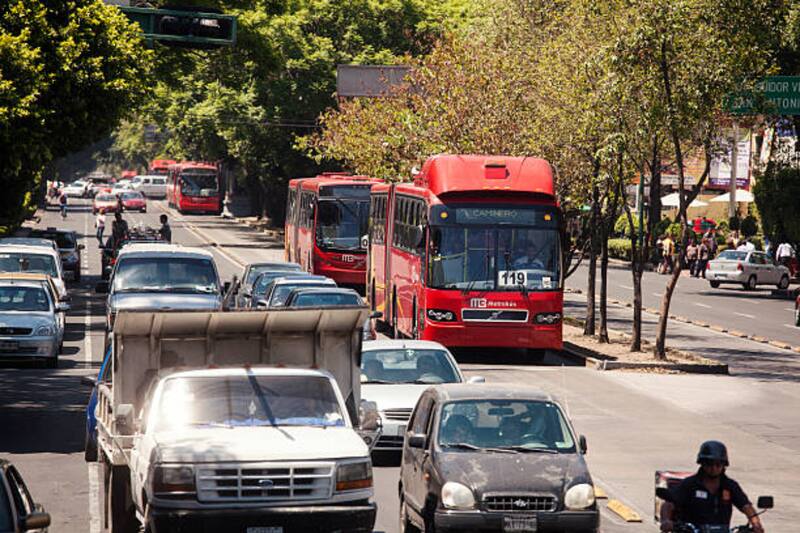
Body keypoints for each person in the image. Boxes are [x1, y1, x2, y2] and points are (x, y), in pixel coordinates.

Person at [660, 441, 764, 533]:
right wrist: (666, 521)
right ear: (702, 463)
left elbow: (745, 505)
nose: (713, 468)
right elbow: (668, 504)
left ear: (724, 465)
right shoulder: (690, 484)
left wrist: (756, 523)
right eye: (709, 464)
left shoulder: (730, 485)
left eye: (718, 464)